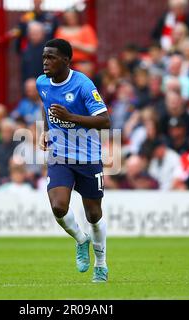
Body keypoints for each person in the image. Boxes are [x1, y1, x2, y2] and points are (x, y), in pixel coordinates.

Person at [37, 39, 111, 282]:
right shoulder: (42, 83)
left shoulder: (83, 84)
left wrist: (71, 117)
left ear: (66, 61)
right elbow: (47, 106)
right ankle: (81, 240)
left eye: (51, 57)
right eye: (44, 56)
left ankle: (101, 263)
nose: (45, 61)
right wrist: (47, 129)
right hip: (60, 155)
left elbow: (104, 121)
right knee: (58, 207)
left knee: (94, 215)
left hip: (88, 157)